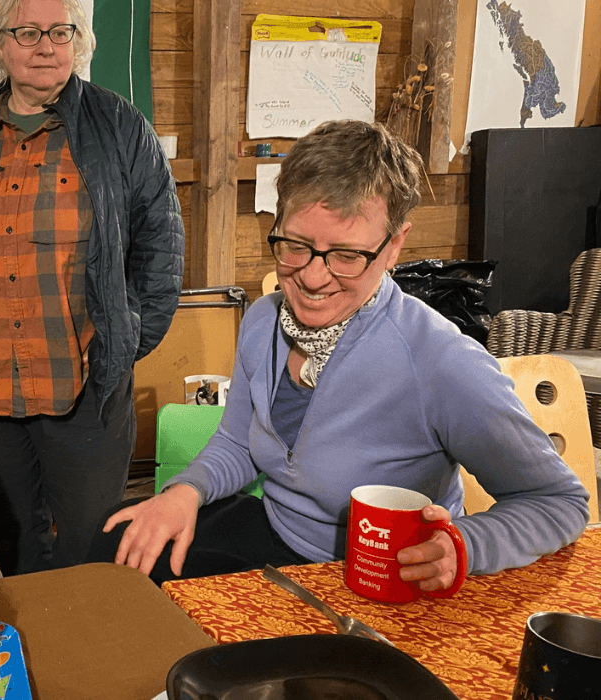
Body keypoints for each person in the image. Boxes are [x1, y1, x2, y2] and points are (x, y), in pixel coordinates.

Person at [91, 120, 589, 587]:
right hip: (273, 535)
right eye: (295, 245)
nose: (310, 277)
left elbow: (558, 502)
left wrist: (464, 546)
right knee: (107, 557)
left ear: (394, 247)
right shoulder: (264, 321)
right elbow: (240, 442)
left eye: (347, 256)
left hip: (378, 577)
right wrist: (185, 492)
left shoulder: (441, 363)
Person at [0, 0, 185, 576]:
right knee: (9, 537)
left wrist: (123, 342)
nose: (46, 46)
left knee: (90, 544)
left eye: (61, 32)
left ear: (78, 43)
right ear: (0, 46)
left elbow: (161, 253)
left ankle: (80, 650)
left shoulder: (119, 128)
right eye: (29, 32)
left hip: (84, 390)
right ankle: (25, 646)